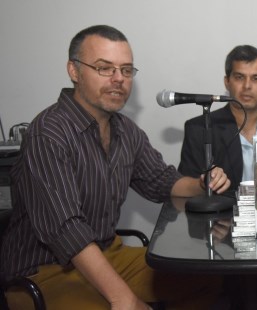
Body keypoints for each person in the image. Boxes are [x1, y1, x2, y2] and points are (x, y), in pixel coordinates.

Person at [0, 25, 231, 309]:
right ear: (74, 71)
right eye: (104, 68)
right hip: (43, 273)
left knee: (206, 275)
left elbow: (162, 182)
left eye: (126, 70)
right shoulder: (48, 134)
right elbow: (67, 231)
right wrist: (125, 299)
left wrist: (202, 183)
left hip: (106, 254)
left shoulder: (126, 131)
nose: (118, 79)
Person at [179, 45, 257, 191]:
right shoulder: (199, 128)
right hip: (221, 213)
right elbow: (185, 188)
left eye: (256, 78)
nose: (247, 86)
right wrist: (204, 183)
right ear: (227, 81)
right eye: (239, 77)